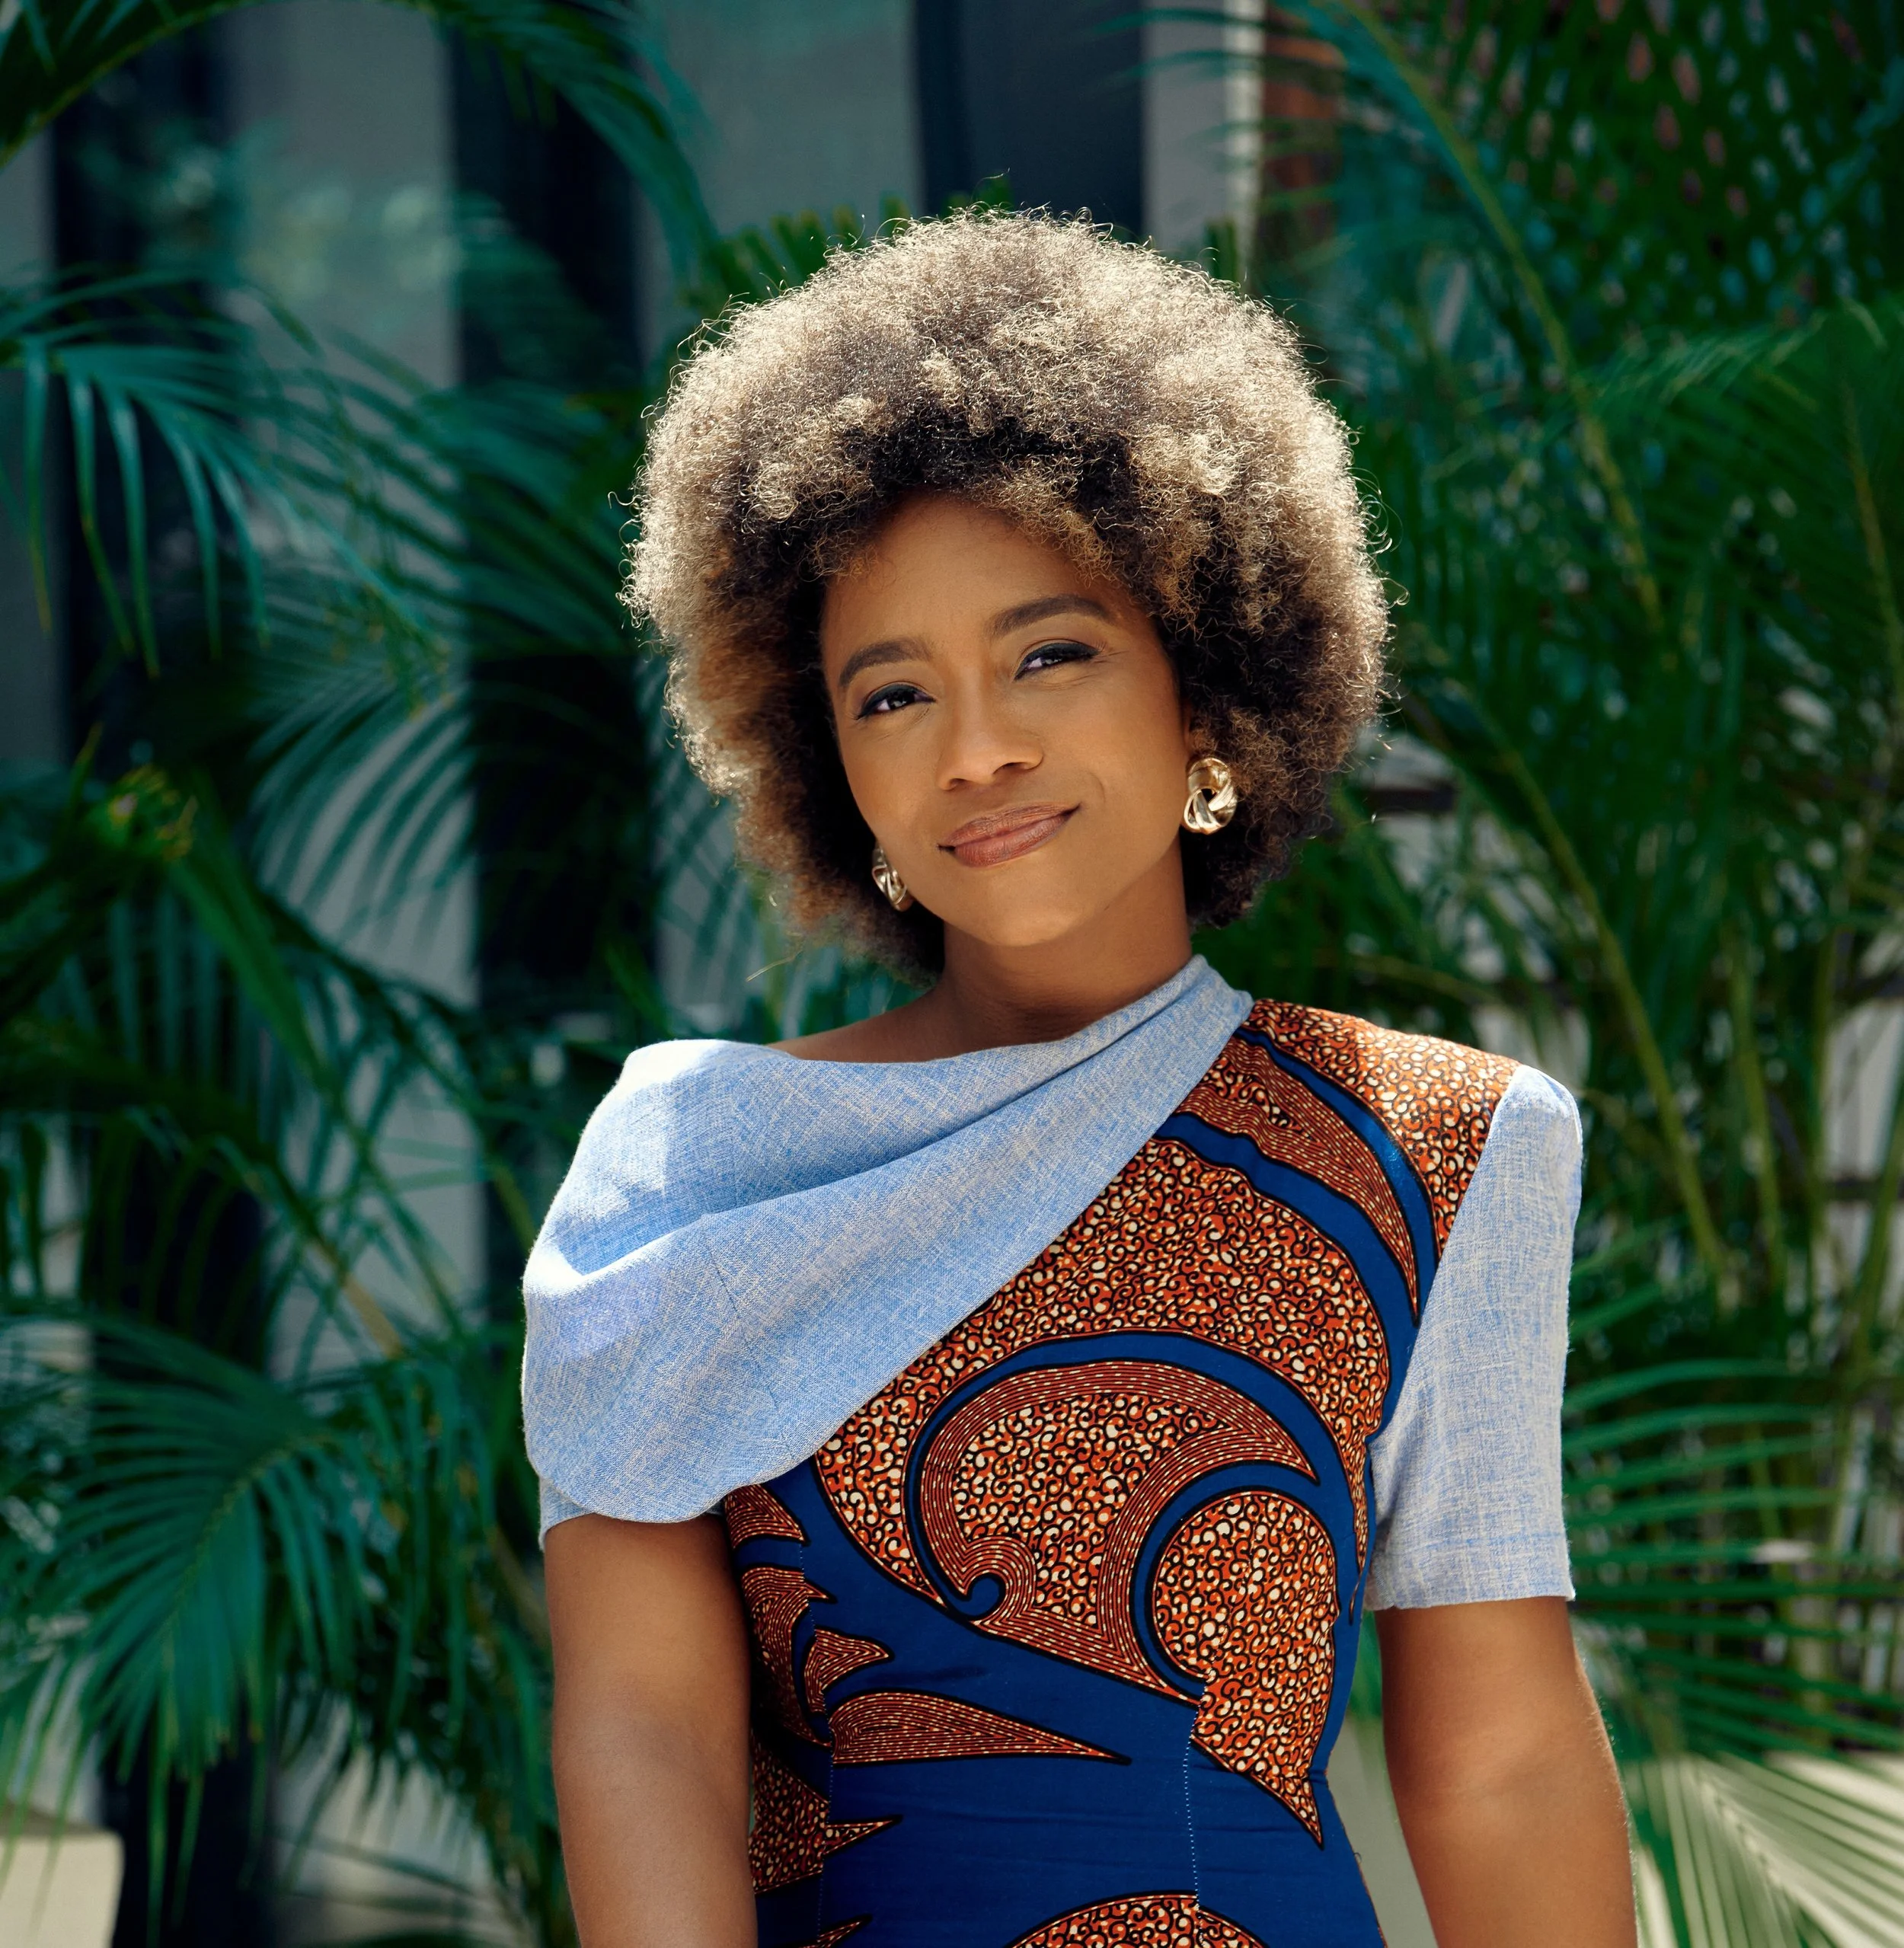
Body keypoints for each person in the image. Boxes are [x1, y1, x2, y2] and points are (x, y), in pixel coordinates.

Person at [524, 212, 1635, 1948]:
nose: (978, 748)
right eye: (893, 695)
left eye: (1050, 653)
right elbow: (645, 1736)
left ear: (1205, 690)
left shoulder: (1435, 1148)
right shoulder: (693, 1169)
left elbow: (1501, 1763)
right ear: (827, 766)